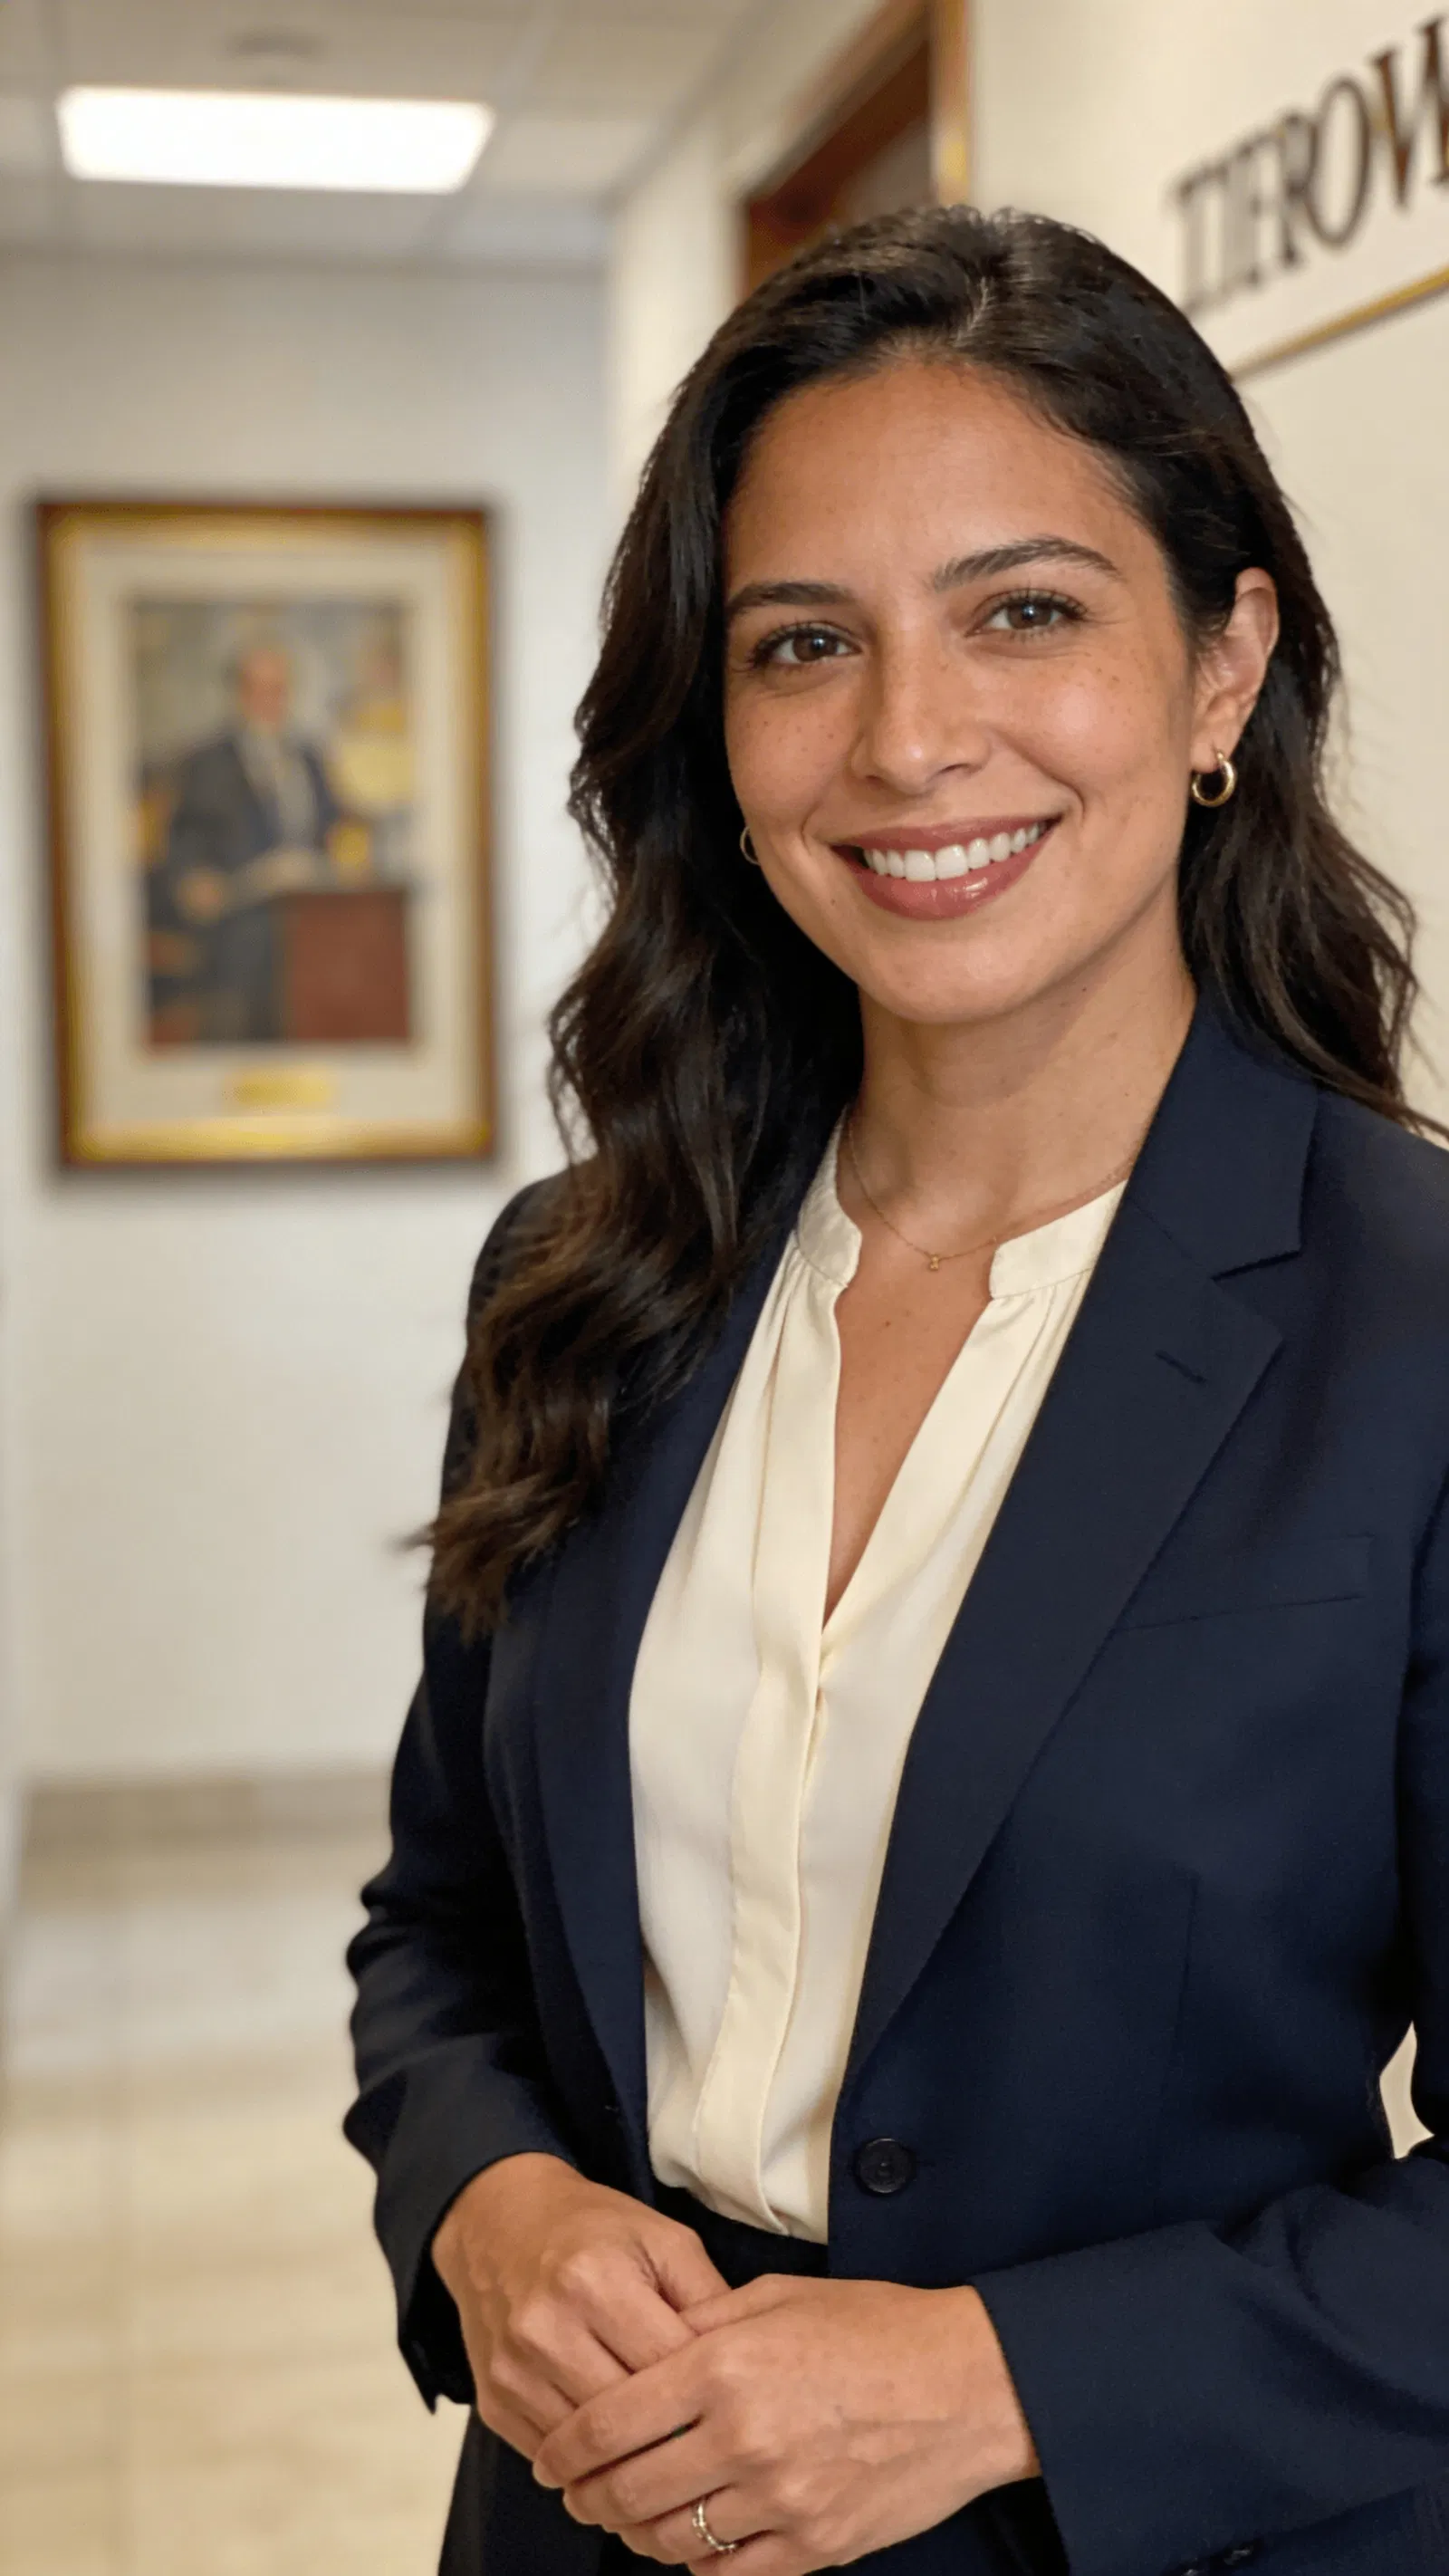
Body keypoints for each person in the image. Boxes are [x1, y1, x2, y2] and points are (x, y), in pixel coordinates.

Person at [345, 207, 1449, 2576]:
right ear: (712, 730)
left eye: (1024, 610)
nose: (907, 737)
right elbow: (436, 1922)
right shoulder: (585, 1277)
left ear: (1225, 663)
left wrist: (998, 2377)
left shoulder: (1418, 1334)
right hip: (584, 2525)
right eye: (801, 644)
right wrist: (490, 2202)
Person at [148, 640, 339, 1042]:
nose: (270, 701)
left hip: (313, 941)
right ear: (239, 694)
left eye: (279, 690)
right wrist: (192, 882)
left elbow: (331, 831)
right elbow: (182, 847)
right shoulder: (205, 762)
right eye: (259, 689)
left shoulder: (310, 758)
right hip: (236, 944)